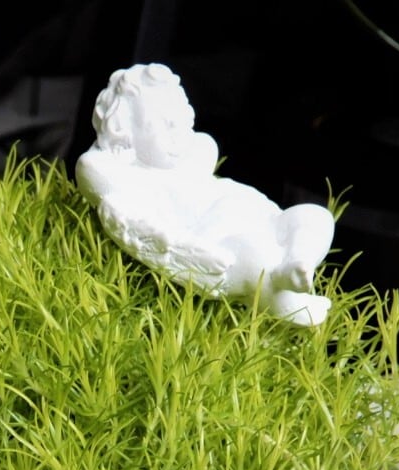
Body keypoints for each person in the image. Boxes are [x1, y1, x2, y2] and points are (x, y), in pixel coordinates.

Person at [75, 63, 335, 326]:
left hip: (264, 218)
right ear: (126, 135)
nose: (177, 131)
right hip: (222, 239)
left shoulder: (193, 156)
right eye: (161, 124)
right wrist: (120, 148)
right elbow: (91, 168)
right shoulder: (137, 182)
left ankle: (298, 260)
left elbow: (202, 145)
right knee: (255, 258)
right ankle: (285, 298)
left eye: (179, 118)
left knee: (315, 216)